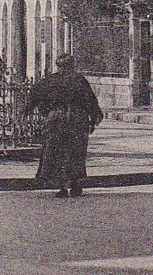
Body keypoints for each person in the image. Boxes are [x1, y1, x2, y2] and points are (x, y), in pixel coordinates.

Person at [25, 54, 104, 198]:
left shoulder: (50, 80)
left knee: (57, 152)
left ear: (58, 66)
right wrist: (93, 119)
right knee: (76, 152)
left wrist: (33, 111)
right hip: (77, 119)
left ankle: (62, 186)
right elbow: (90, 101)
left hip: (57, 119)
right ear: (72, 65)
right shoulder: (79, 80)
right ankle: (75, 185)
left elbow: (34, 95)